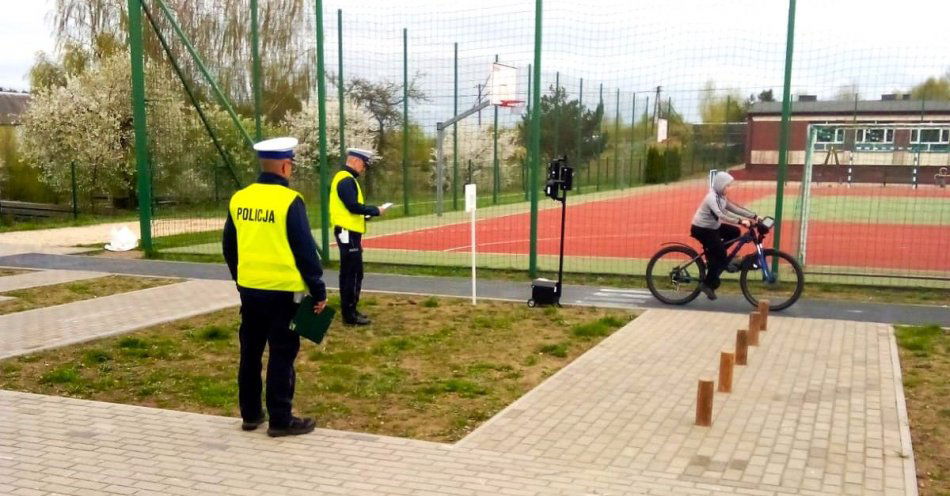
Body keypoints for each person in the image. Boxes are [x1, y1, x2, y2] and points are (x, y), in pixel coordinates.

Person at [222, 136, 327, 437]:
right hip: (284, 292)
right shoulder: (289, 201)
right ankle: (281, 418)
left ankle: (251, 414)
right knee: (282, 353)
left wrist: (240, 279)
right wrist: (318, 290)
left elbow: (230, 246)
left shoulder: (239, 198)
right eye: (291, 164)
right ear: (284, 165)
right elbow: (305, 251)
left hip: (251, 290)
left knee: (250, 352)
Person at [330, 148, 388, 325]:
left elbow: (352, 209)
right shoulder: (346, 181)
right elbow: (352, 206)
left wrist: (367, 214)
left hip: (349, 232)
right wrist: (374, 210)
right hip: (347, 233)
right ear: (354, 161)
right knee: (352, 273)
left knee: (352, 272)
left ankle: (351, 310)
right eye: (363, 164)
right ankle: (349, 314)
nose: (363, 169)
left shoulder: (346, 179)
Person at [690, 171, 757, 301]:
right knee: (720, 254)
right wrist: (740, 221)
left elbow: (735, 208)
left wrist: (754, 216)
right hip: (701, 229)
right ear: (720, 185)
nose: (729, 188)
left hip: (713, 227)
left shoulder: (721, 197)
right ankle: (707, 285)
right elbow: (722, 214)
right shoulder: (712, 197)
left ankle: (715, 255)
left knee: (734, 232)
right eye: (727, 186)